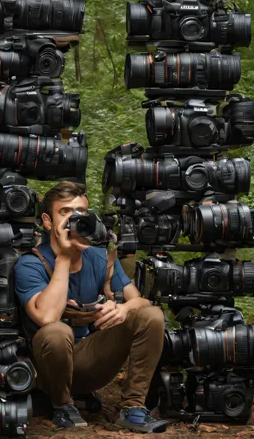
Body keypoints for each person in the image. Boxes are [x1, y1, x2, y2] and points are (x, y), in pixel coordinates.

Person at [14, 181, 167, 432]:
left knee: (151, 315)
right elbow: (47, 317)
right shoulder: (30, 264)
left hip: (88, 360)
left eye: (81, 214)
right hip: (47, 369)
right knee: (56, 331)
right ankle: (62, 405)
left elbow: (140, 301)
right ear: (48, 221)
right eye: (65, 213)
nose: (75, 220)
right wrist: (64, 256)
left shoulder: (98, 257)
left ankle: (133, 408)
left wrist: (123, 310)